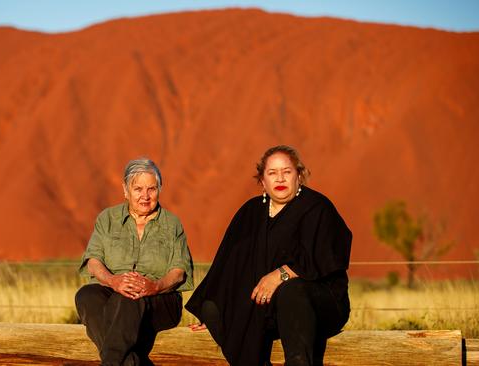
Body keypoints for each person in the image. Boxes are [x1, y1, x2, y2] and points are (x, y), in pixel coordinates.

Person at [185, 145, 351, 366]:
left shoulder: (317, 207)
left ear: (299, 176)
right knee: (211, 307)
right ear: (262, 181)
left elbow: (327, 254)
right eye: (272, 173)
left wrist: (282, 274)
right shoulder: (250, 212)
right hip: (265, 308)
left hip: (318, 304)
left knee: (292, 290)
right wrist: (223, 308)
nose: (280, 178)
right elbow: (228, 265)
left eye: (287, 171)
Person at [75, 158, 194, 366]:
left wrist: (154, 286)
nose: (145, 196)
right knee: (86, 295)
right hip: (115, 293)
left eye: (152, 189)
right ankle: (131, 362)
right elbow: (93, 260)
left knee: (127, 300)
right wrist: (113, 281)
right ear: (125, 190)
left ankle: (110, 362)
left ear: (160, 189)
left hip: (161, 301)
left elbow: (179, 271)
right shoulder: (107, 219)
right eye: (138, 188)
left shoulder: (172, 223)